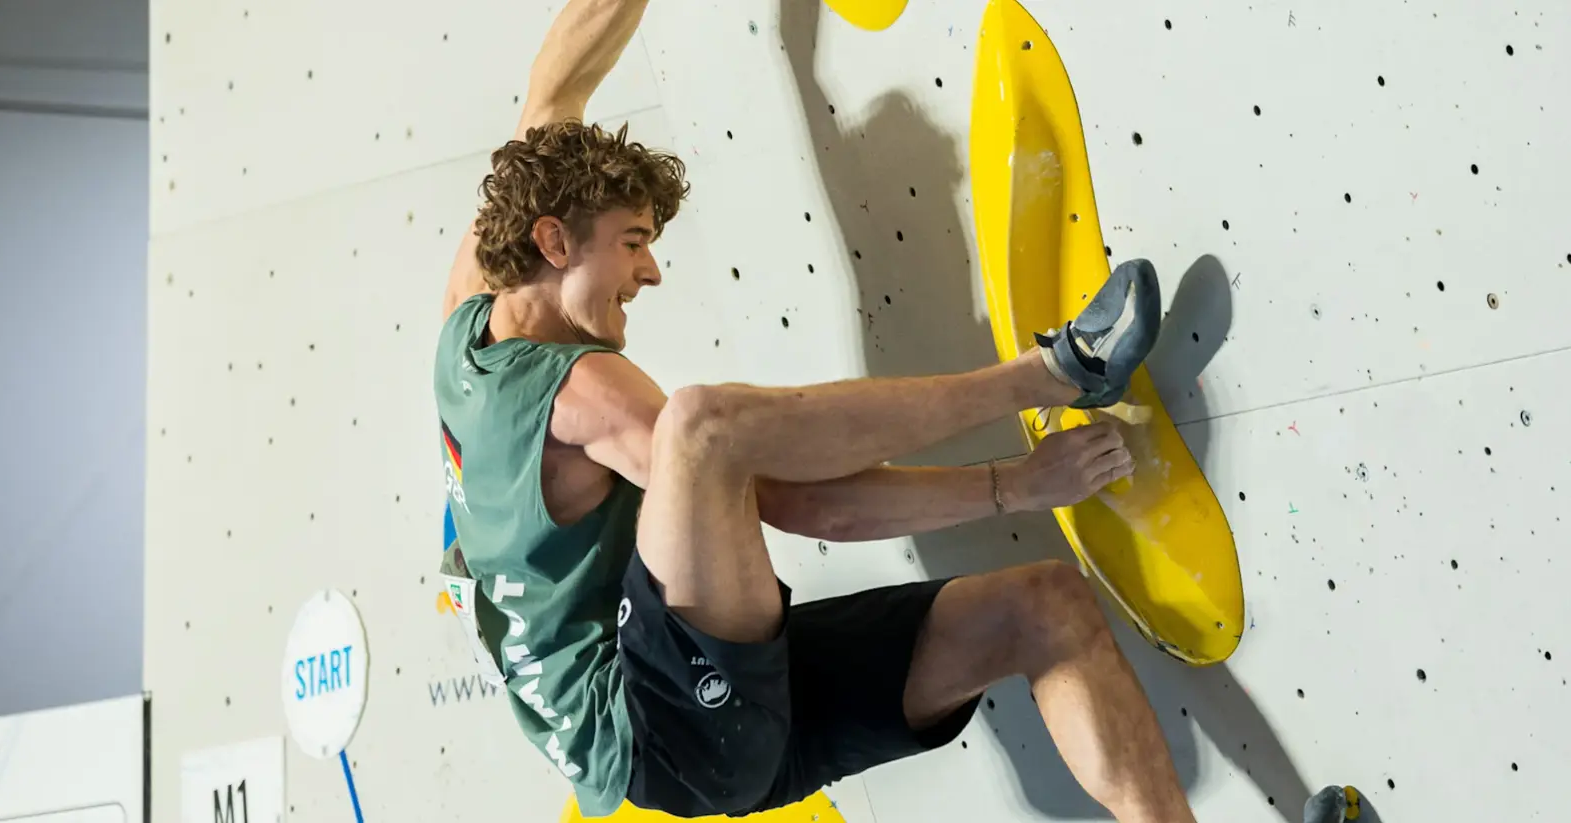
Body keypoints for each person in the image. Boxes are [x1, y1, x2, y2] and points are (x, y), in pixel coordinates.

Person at [432, 2, 1357, 822]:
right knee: (702, 427)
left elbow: (555, 87)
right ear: (554, 240)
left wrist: (797, 54)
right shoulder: (583, 394)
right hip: (667, 724)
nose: (651, 271)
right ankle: (1055, 372)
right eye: (633, 244)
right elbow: (807, 504)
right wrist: (1012, 484)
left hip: (726, 710)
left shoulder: (472, 315)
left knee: (1045, 608)